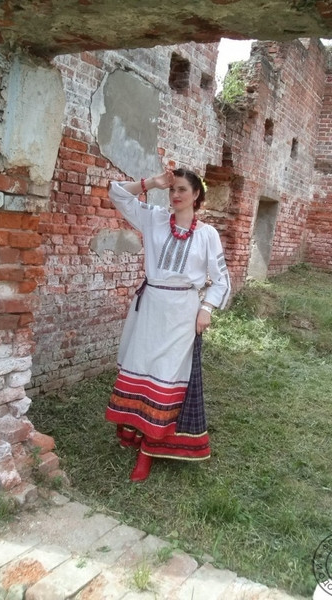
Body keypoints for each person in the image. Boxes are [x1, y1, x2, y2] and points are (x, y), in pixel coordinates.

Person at [105, 168, 231, 481]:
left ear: (197, 194)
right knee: (142, 368)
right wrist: (151, 183)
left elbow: (221, 281)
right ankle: (134, 433)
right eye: (172, 189)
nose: (175, 195)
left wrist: (206, 309)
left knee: (166, 376)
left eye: (182, 190)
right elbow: (117, 193)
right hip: (150, 308)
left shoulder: (207, 234)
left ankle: (148, 451)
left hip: (182, 313)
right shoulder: (155, 219)